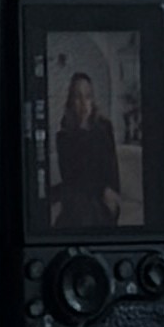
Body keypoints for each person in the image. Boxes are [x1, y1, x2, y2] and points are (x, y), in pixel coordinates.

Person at [49, 60, 123, 232]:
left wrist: (107, 191)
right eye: (78, 97)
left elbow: (112, 172)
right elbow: (72, 179)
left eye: (88, 96)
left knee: (86, 209)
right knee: (78, 204)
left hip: (103, 199)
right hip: (80, 198)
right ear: (71, 101)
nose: (83, 103)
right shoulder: (64, 137)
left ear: (93, 100)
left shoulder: (104, 128)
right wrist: (81, 132)